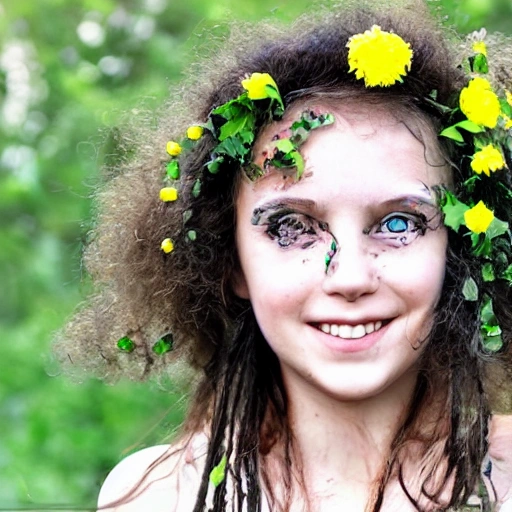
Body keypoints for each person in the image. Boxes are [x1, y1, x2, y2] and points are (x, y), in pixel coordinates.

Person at [55, 1, 512, 510]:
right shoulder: (157, 498)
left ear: (458, 246)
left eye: (398, 223)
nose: (351, 277)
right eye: (292, 226)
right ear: (230, 260)